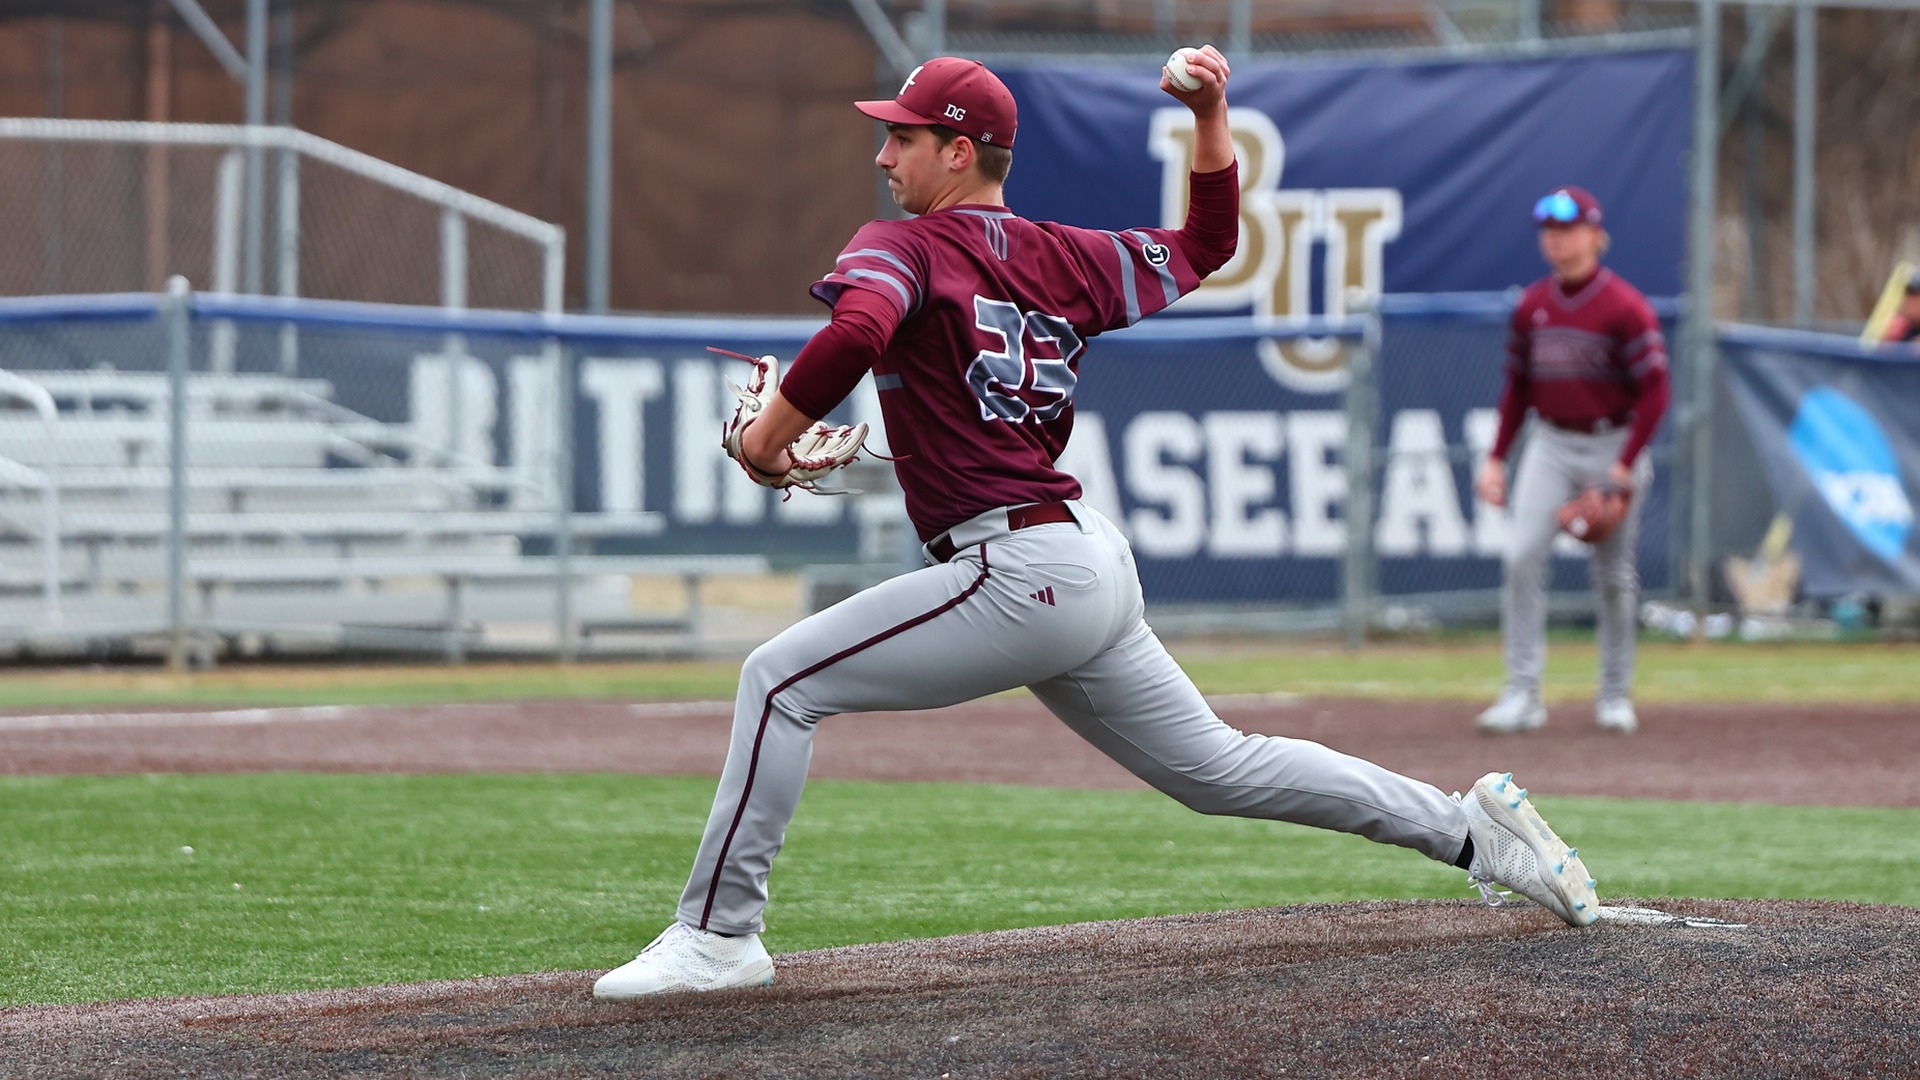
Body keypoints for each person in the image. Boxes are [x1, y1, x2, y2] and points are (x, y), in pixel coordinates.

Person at [592, 51, 1601, 1001]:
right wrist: (1210, 116)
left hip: (1020, 567)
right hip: (1079, 559)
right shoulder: (1065, 257)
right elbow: (1208, 244)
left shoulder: (901, 246)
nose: (881, 153)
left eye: (901, 136)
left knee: (779, 682)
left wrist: (771, 436)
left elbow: (857, 330)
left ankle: (719, 937)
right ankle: (1472, 833)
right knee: (1219, 768)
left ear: (959, 152)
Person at [1472, 186, 1670, 736]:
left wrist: (1624, 467)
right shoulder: (1532, 305)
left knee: (1612, 575)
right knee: (1519, 556)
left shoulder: (1624, 307)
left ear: (1593, 235)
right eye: (1548, 231)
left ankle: (1613, 693)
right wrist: (1495, 458)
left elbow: (1654, 392)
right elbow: (1517, 389)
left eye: (1566, 228)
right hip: (1551, 443)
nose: (1556, 239)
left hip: (1613, 443)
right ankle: (1522, 693)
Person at [1879, 267, 1920, 344]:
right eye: (1907, 294)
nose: (1909, 300)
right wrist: (1887, 340)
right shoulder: (1900, 328)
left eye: (1915, 295)